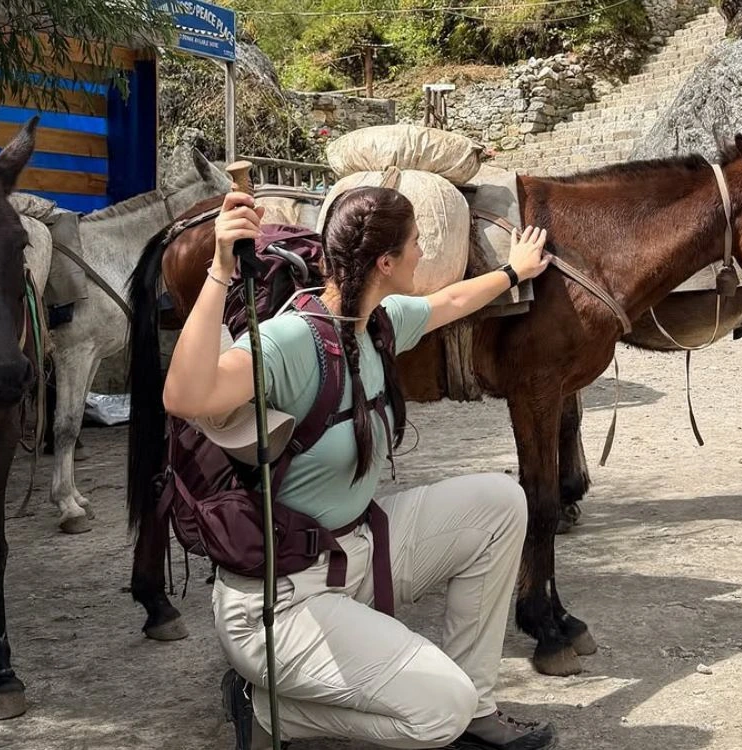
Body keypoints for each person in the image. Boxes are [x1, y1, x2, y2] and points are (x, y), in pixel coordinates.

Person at [161, 184, 557, 750]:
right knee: (437, 711)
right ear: (386, 261)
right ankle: (268, 710)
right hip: (282, 603)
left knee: (500, 502)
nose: (424, 254)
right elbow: (184, 395)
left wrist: (514, 272)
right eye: (417, 243)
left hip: (356, 557)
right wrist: (220, 270)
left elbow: (448, 303)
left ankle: (477, 705)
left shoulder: (377, 322)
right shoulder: (292, 339)